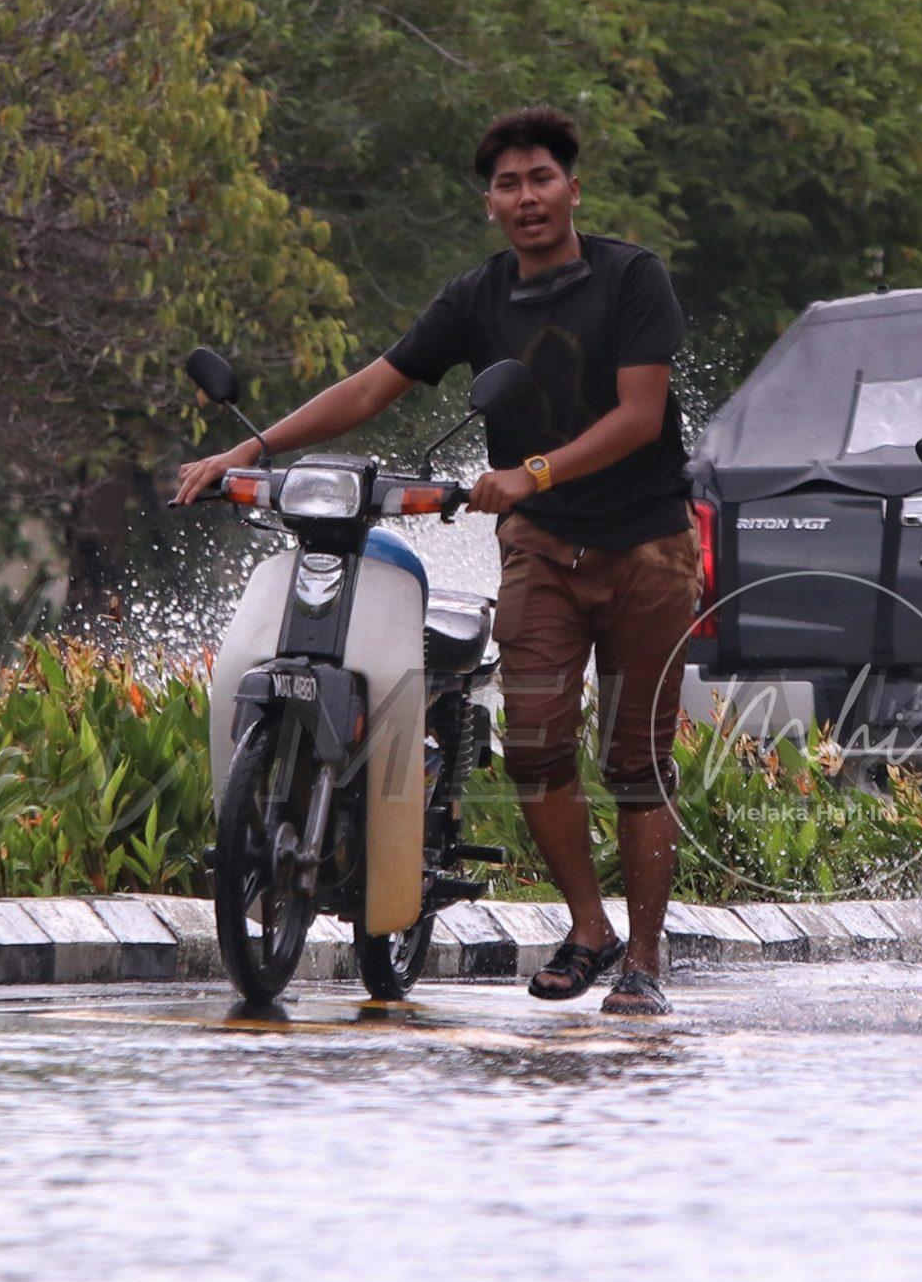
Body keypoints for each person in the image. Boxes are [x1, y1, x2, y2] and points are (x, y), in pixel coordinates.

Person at [176, 106, 697, 1016]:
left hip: (648, 550)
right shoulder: (476, 297)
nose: (527, 198)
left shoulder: (631, 278)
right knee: (537, 750)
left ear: (574, 189)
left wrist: (530, 471)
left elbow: (640, 415)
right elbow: (375, 385)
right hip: (540, 552)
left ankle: (644, 958)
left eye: (542, 179)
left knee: (636, 762)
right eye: (508, 185)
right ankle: (590, 929)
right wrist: (247, 451)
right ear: (489, 203)